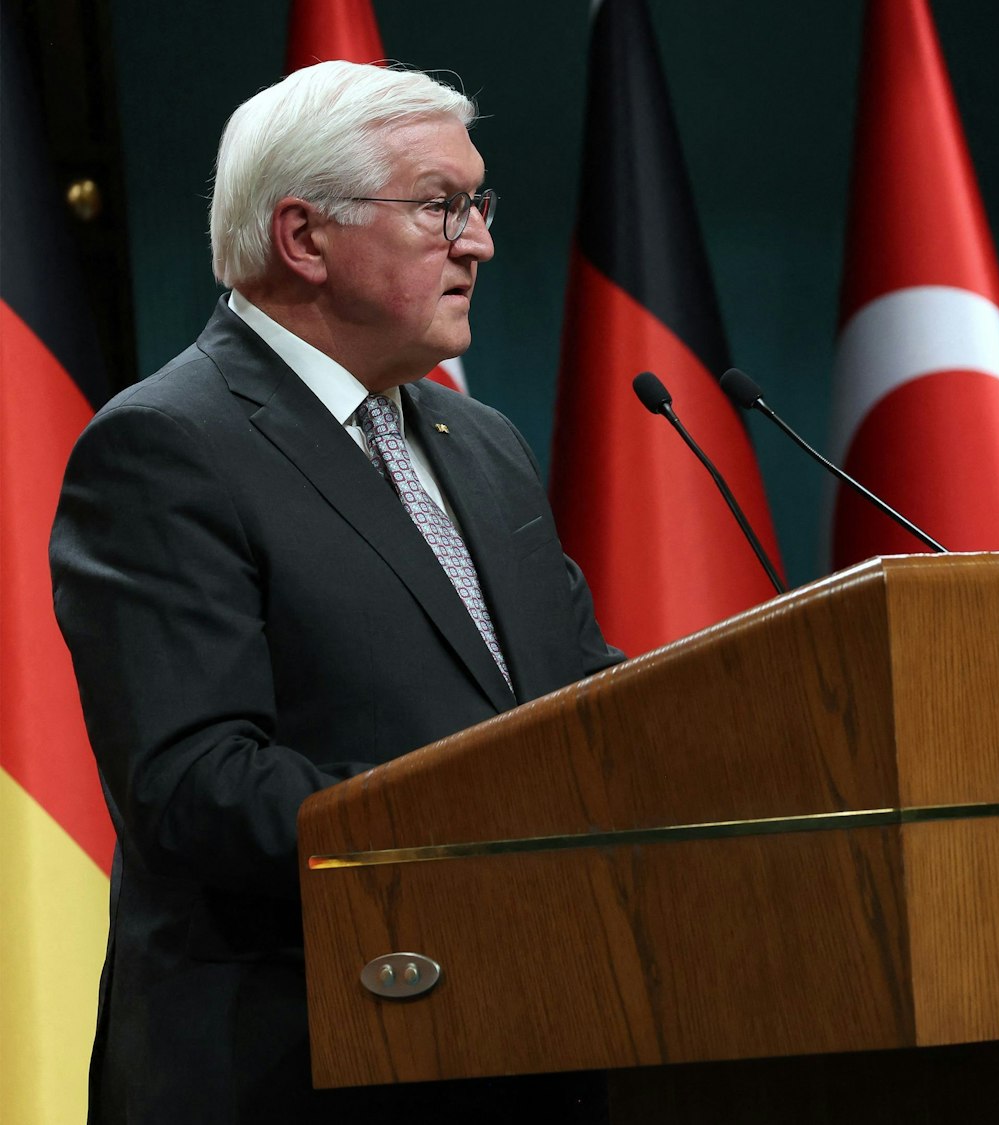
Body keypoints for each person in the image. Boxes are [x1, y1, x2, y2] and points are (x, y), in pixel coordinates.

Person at [50, 62, 620, 1123]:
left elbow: (582, 701)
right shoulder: (166, 446)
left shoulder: (480, 443)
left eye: (477, 203)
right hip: (295, 1065)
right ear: (304, 239)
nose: (479, 241)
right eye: (440, 205)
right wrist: (491, 827)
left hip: (526, 1039)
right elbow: (196, 786)